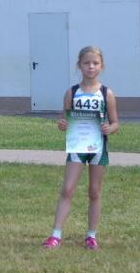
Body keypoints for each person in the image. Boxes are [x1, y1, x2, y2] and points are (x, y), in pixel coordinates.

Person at [42, 46, 119, 250]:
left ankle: (91, 235)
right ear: (79, 66)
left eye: (95, 63)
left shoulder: (106, 93)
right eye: (86, 63)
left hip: (98, 148)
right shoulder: (72, 92)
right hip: (77, 146)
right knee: (68, 188)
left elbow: (115, 123)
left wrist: (109, 128)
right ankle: (55, 235)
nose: (91, 67)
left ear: (101, 66)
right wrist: (62, 125)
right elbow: (65, 120)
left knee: (94, 191)